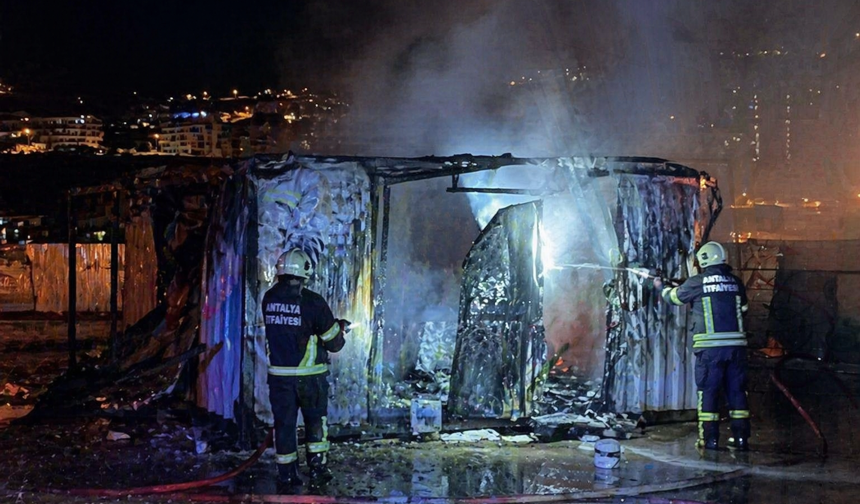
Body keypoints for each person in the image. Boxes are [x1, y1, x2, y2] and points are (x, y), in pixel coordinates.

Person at [262, 248, 347, 489]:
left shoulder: (268, 299)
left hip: (279, 378)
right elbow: (334, 344)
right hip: (310, 378)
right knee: (314, 423)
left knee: (284, 426)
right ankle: (318, 468)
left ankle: (286, 475)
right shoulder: (313, 302)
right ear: (305, 274)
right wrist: (340, 330)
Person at [654, 241, 751, 452]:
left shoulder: (698, 282)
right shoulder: (736, 282)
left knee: (708, 392)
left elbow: (674, 298)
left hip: (711, 351)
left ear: (703, 260)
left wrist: (661, 287)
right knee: (737, 392)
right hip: (737, 349)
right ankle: (741, 439)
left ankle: (710, 440)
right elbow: (743, 308)